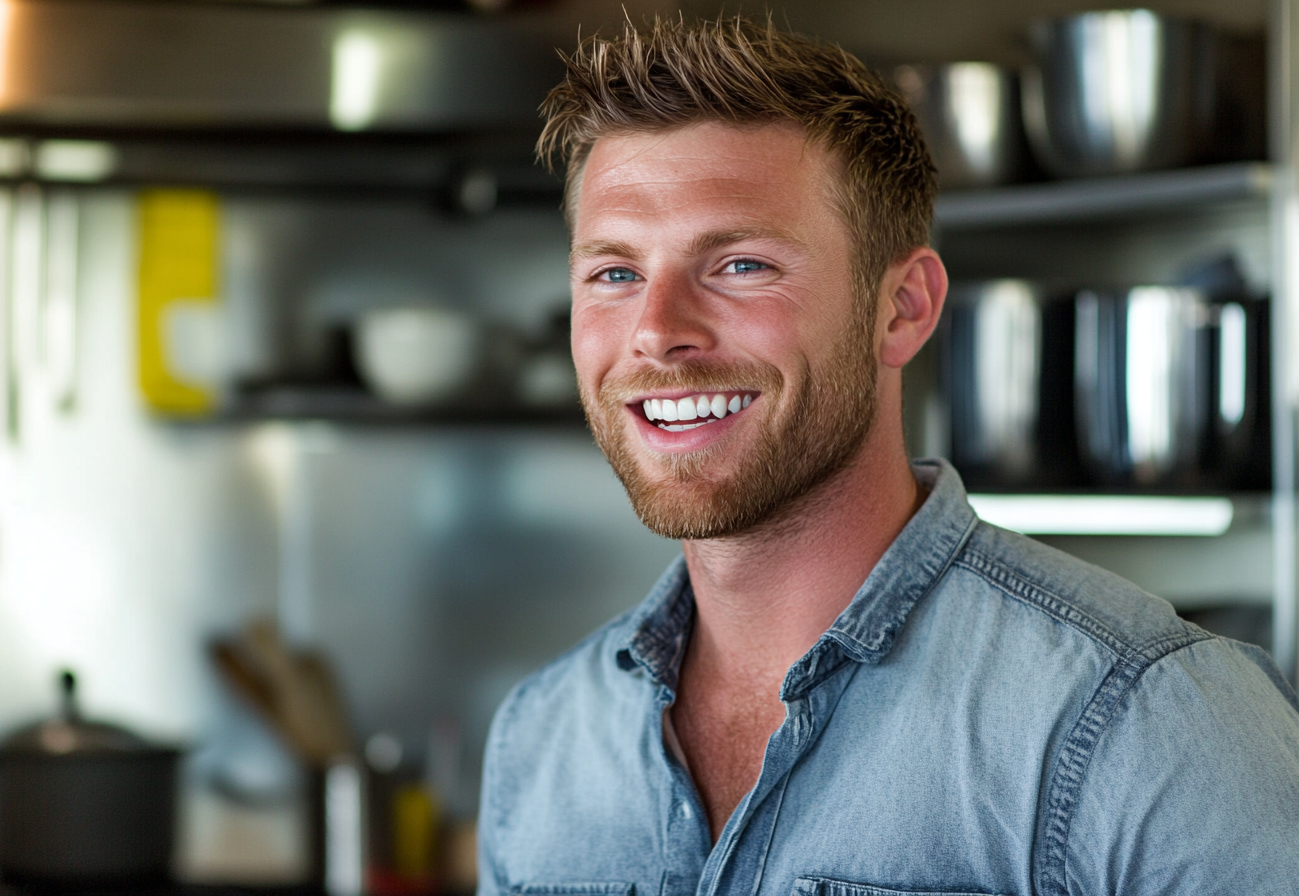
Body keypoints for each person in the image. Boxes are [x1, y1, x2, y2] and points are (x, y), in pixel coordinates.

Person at [477, 17, 1299, 895]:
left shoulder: (1151, 724)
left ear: (903, 307)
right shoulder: (542, 739)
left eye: (742, 265)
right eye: (614, 274)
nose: (656, 332)